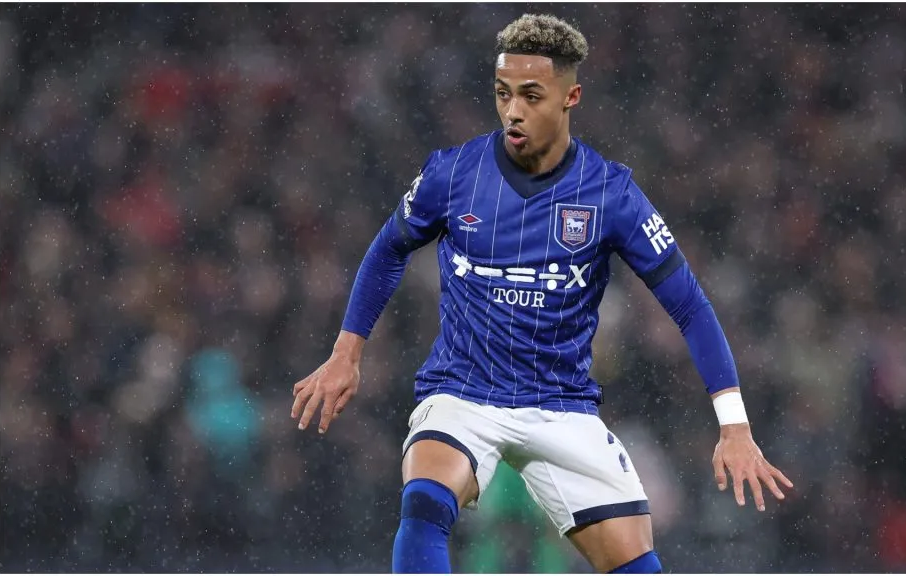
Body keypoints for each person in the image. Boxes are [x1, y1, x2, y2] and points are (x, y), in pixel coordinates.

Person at [291, 13, 793, 574]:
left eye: (531, 94)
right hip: (463, 392)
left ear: (570, 96)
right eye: (503, 93)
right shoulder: (454, 175)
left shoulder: (611, 194)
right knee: (425, 503)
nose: (513, 110)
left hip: (560, 405)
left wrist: (735, 424)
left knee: (638, 564)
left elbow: (690, 306)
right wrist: (346, 352)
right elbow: (389, 248)